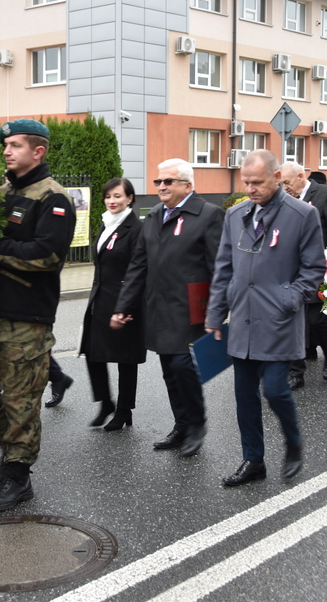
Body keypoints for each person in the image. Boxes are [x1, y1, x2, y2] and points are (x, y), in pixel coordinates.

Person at [0, 118, 75, 512]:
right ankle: (10, 452)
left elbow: (49, 256)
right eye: (5, 145)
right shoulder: (1, 193)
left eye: (14, 145)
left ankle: (18, 475)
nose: (6, 151)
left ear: (37, 151)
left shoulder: (53, 198)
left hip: (26, 317)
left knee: (21, 399)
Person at [206, 150, 325, 485]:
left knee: (274, 390)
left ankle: (293, 442)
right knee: (244, 395)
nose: (250, 189)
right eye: (246, 182)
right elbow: (223, 268)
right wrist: (215, 314)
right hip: (242, 319)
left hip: (279, 321)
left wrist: (289, 299)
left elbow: (314, 268)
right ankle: (253, 460)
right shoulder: (235, 215)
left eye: (257, 182)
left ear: (276, 178)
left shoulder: (303, 215)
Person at [113, 158, 224, 457]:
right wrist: (123, 305)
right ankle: (181, 424)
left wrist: (219, 309)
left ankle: (196, 423)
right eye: (158, 182)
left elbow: (219, 267)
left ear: (188, 185)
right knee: (169, 369)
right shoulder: (153, 216)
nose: (161, 187)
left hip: (191, 306)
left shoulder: (210, 215)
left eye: (168, 182)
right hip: (159, 305)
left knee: (181, 365)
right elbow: (139, 264)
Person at [81, 178, 145, 430]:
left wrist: (125, 307)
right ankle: (106, 402)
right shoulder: (106, 223)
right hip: (100, 300)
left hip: (125, 302)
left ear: (130, 198)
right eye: (108, 197)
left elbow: (137, 271)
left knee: (125, 359)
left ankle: (124, 410)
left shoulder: (135, 228)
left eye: (117, 196)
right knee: (93, 352)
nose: (112, 201)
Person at [281, 162, 327, 386]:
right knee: (292, 320)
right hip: (291, 271)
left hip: (318, 268)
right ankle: (296, 372)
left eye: (287, 182)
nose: (284, 187)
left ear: (300, 176)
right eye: (281, 183)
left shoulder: (326, 194)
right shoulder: (284, 198)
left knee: (316, 321)